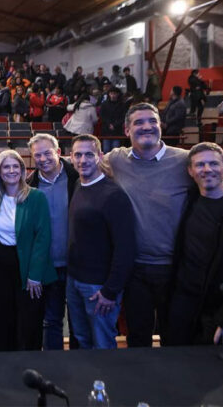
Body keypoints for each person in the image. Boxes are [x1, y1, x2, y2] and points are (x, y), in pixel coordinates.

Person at [102, 103, 191, 347]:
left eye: (152, 121)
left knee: (176, 339)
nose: (147, 126)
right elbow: (81, 162)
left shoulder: (184, 160)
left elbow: (220, 185)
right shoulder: (116, 160)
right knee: (138, 338)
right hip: (135, 269)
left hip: (175, 268)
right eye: (139, 122)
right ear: (126, 130)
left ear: (161, 125)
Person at [0, 150, 56, 352]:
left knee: (28, 323)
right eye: (6, 167)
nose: (11, 170)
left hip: (29, 267)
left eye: (16, 166)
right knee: (4, 321)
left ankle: (29, 366)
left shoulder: (36, 197)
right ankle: (5, 364)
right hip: (1, 268)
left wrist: (35, 275)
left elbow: (43, 238)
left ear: (22, 171)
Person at [66, 134, 135, 349]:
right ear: (71, 157)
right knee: (81, 339)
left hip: (99, 287)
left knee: (102, 345)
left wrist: (110, 291)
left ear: (100, 156)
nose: (83, 160)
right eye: (78, 155)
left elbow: (125, 248)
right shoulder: (78, 184)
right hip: (74, 280)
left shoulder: (113, 195)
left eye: (89, 154)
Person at [168, 143, 223, 346]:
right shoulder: (188, 200)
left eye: (214, 163)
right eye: (200, 165)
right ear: (190, 171)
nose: (207, 169)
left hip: (221, 306)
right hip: (184, 302)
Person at [26, 133, 80, 351]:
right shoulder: (29, 186)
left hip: (78, 265)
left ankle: (78, 364)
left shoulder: (78, 177)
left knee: (79, 323)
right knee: (51, 321)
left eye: (47, 153)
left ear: (58, 152)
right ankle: (54, 366)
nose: (43, 159)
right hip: (48, 266)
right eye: (37, 155)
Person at [99, 87, 125, 152]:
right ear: (109, 94)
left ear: (118, 94)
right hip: (106, 130)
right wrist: (109, 124)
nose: (113, 95)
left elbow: (123, 117)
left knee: (115, 149)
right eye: (111, 93)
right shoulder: (104, 104)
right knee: (106, 149)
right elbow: (102, 116)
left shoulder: (122, 105)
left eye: (114, 93)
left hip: (117, 130)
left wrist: (115, 125)